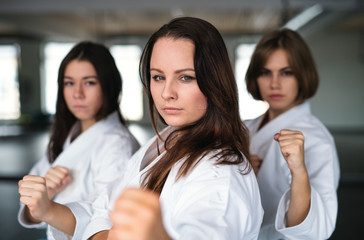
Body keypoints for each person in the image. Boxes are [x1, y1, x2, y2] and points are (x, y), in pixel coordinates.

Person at [65, 16, 263, 240]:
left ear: (214, 81)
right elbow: (102, 210)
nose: (167, 93)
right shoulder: (163, 142)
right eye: (158, 77)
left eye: (186, 77)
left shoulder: (220, 174)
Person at [17, 41, 140, 240]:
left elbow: (104, 221)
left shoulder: (118, 145)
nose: (77, 93)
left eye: (89, 82)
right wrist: (43, 196)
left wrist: (48, 208)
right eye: (69, 83)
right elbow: (31, 209)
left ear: (109, 86)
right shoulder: (67, 134)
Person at [244, 28, 340, 239]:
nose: (274, 83)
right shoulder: (244, 129)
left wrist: (299, 170)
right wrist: (240, 172)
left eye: (286, 72)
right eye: (265, 72)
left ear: (302, 75)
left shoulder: (317, 140)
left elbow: (314, 230)